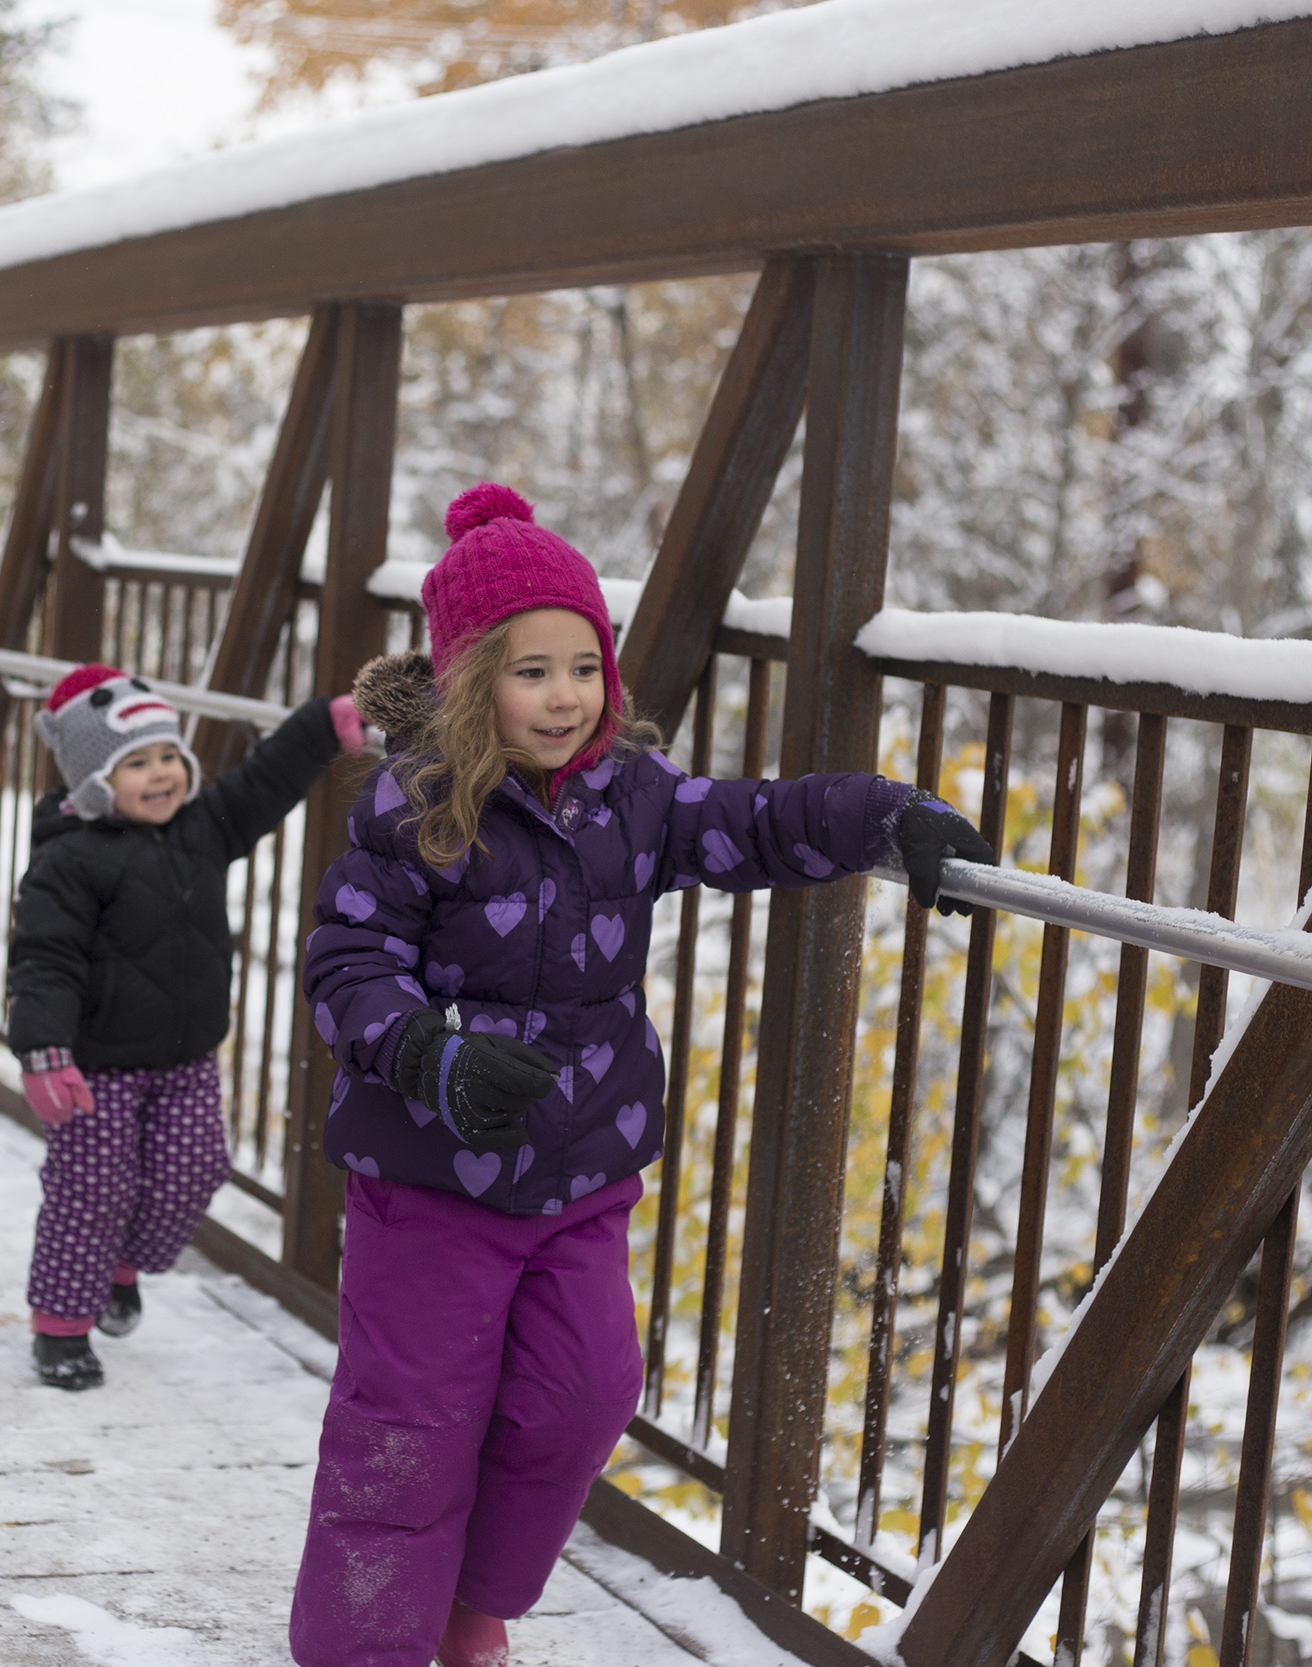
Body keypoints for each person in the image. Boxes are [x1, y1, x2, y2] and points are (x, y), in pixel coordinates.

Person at [290, 483, 996, 1667]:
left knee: (583, 1394)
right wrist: (429, 1050)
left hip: (579, 1167)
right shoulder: (411, 811)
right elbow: (347, 958)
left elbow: (758, 821)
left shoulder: (636, 797)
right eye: (530, 671)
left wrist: (885, 814)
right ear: (468, 679)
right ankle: (365, 1649)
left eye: (583, 665)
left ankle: (475, 1606)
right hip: (429, 1177)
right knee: (409, 1424)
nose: (564, 696)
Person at [8, 663, 365, 1391]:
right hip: (96, 1064)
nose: (163, 773)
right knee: (91, 1188)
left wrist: (323, 724)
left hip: (186, 1058)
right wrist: (44, 1051)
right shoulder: (68, 861)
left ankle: (116, 1268)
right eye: (136, 762)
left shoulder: (201, 827)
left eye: (168, 754)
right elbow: (44, 960)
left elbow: (264, 780)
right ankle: (60, 1327)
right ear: (95, 778)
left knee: (193, 1171)